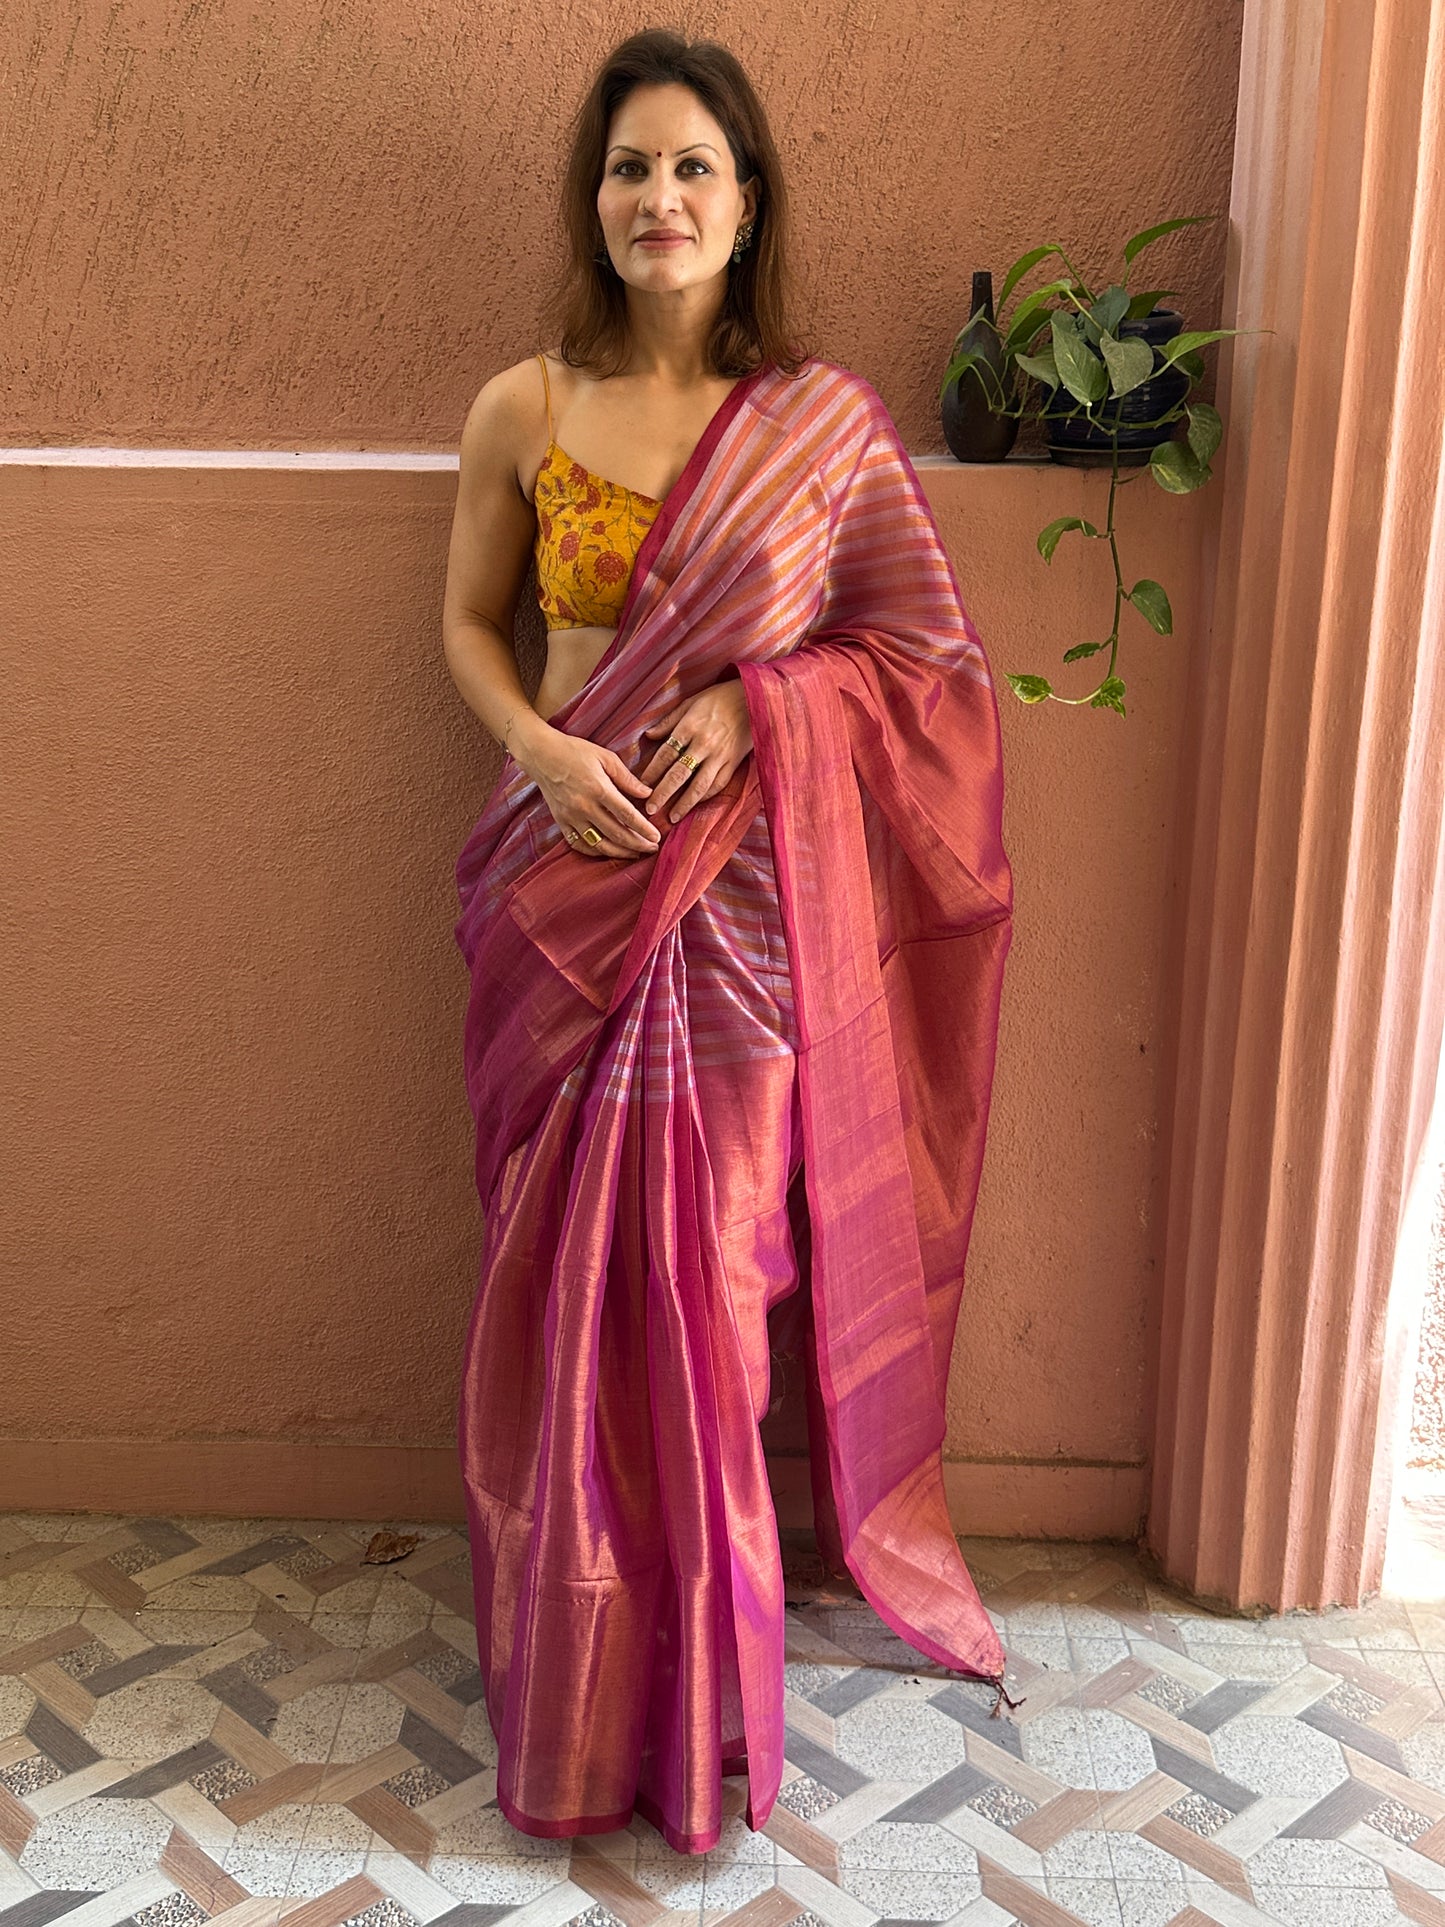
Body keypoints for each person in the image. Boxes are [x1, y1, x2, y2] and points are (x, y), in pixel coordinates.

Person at [439, 26, 1020, 1860]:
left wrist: (764, 708)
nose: (659, 198)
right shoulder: (520, 406)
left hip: (751, 925)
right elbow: (467, 627)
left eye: (694, 166)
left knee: (701, 1288)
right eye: (628, 167)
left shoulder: (822, 430)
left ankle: (696, 1712)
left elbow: (924, 671)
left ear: (745, 199)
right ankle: (568, 1678)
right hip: (559, 892)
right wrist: (540, 745)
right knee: (562, 1301)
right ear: (589, 197)